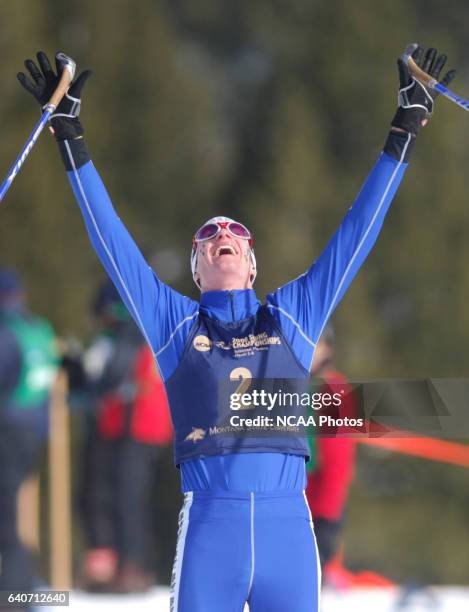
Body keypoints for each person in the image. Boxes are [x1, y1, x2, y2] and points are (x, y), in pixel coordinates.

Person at [17, 44, 455, 611]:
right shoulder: (175, 326)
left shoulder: (293, 317)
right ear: (197, 271)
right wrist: (70, 136)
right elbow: (112, 243)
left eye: (235, 234)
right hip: (210, 532)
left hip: (288, 536)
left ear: (252, 264)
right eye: (207, 238)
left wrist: (407, 126)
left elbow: (357, 232)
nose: (222, 232)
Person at [80, 281, 173, 592]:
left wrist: (95, 387)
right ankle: (130, 565)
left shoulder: (128, 331)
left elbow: (115, 374)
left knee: (126, 497)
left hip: (137, 425)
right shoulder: (146, 325)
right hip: (148, 425)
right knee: (130, 496)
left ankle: (132, 566)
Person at [0, 269, 58, 601]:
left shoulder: (6, 334)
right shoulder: (39, 330)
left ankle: (14, 592)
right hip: (33, 432)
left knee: (6, 516)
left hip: (7, 431)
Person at [305, 324, 357, 574]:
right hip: (297, 502)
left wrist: (326, 511)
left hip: (319, 506)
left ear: (327, 349)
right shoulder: (302, 387)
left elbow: (338, 458)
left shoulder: (334, 388)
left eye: (316, 344)